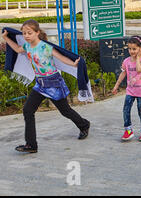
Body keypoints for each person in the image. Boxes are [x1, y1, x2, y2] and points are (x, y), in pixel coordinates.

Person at [2, 20, 90, 153]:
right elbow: (17, 49)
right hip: (40, 84)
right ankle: (31, 145)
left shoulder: (46, 47)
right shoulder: (27, 46)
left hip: (54, 83)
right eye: (24, 33)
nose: (26, 35)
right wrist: (5, 38)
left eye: (29, 33)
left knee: (65, 111)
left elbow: (61, 57)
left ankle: (84, 124)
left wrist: (74, 65)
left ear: (37, 33)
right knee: (28, 110)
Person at [112, 36, 141, 141]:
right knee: (126, 110)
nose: (131, 51)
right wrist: (116, 85)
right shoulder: (126, 61)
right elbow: (123, 73)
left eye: (134, 49)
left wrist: (138, 57)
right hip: (130, 90)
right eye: (129, 49)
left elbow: (138, 69)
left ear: (140, 49)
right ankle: (128, 130)